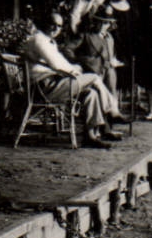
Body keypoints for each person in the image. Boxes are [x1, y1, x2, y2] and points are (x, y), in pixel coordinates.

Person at [19, 12, 124, 148]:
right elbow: (56, 64)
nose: (55, 28)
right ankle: (112, 109)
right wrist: (74, 70)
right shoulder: (39, 40)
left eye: (59, 26)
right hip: (44, 87)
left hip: (54, 84)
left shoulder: (48, 41)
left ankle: (90, 136)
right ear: (45, 23)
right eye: (53, 24)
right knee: (94, 78)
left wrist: (73, 68)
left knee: (90, 93)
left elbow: (61, 62)